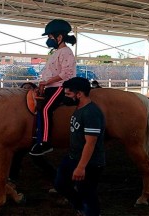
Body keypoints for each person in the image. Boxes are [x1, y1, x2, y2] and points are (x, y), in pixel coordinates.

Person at [54, 77, 105, 216]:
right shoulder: (79, 108)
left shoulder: (91, 113)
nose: (66, 97)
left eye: (68, 94)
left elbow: (91, 142)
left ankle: (91, 213)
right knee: (60, 183)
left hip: (90, 162)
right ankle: (81, 208)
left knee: (87, 193)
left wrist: (81, 167)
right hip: (73, 157)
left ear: (79, 94)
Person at [29, 19, 77, 156]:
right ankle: (37, 135)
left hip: (60, 87)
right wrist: (43, 83)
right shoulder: (55, 53)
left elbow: (66, 74)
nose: (49, 40)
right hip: (51, 86)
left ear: (60, 37)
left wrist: (46, 82)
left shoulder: (66, 52)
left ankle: (45, 143)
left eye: (50, 37)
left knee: (45, 109)